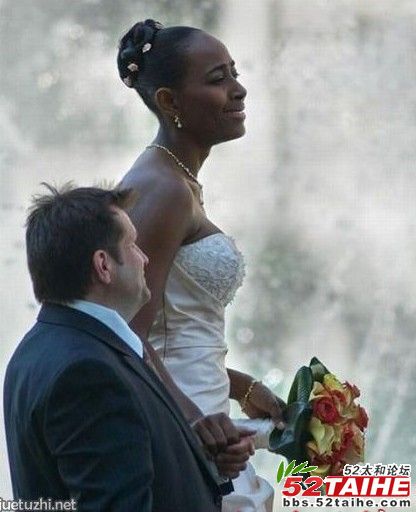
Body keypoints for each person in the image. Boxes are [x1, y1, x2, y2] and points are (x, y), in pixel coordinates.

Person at [117, 19, 285, 511]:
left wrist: (242, 387)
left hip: (203, 413)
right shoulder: (163, 189)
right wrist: (194, 423)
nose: (238, 89)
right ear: (169, 101)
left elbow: (174, 330)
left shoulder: (176, 179)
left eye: (234, 73)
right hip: (185, 426)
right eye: (217, 79)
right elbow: (126, 333)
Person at [3, 183, 253, 511]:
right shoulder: (88, 374)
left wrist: (202, 460)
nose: (145, 258)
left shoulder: (39, 350)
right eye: (132, 245)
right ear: (103, 265)